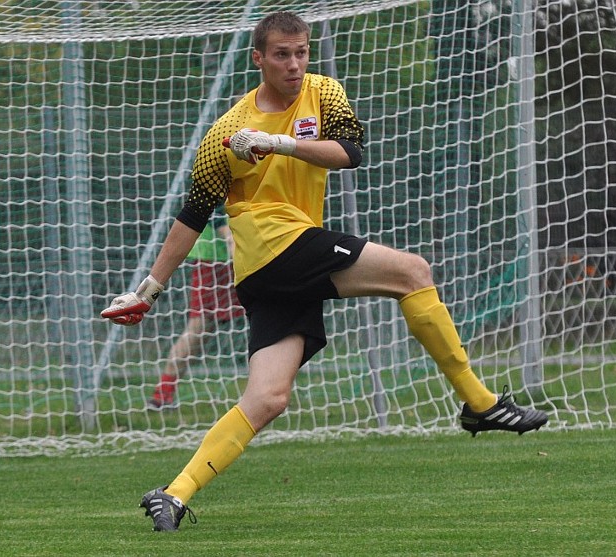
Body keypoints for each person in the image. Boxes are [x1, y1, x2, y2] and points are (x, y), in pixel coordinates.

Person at [101, 11, 548, 532]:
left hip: (271, 268)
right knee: (413, 271)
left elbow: (350, 153)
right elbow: (193, 215)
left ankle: (173, 494)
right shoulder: (226, 132)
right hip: (274, 248)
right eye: (282, 55)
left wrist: (281, 143)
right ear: (259, 59)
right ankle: (480, 403)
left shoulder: (324, 93)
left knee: (267, 398)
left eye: (301, 52)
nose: (294, 64)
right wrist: (149, 290)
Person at [149, 209, 244, 408]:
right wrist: (228, 236)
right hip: (219, 258)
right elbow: (216, 203)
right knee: (199, 328)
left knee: (203, 330)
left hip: (234, 253)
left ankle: (163, 394)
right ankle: (162, 394)